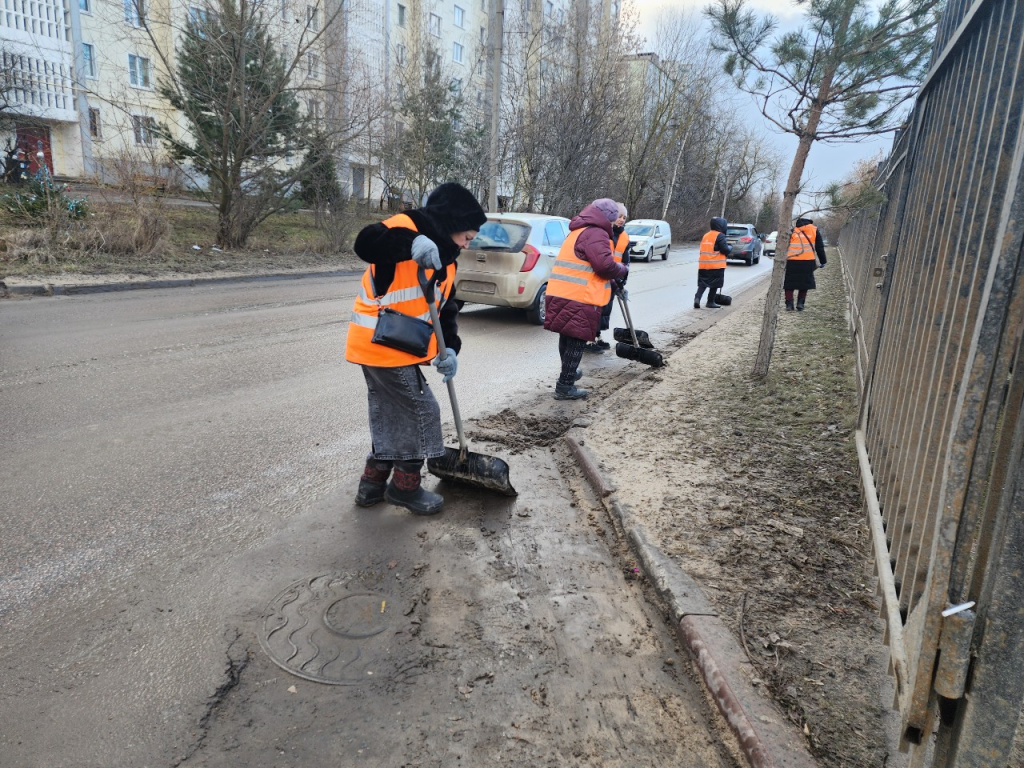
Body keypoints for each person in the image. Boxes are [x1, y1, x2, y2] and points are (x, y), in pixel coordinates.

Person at [346, 182, 486, 516]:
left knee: (391, 415)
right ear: (450, 224)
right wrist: (413, 244)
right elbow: (366, 242)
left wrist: (450, 349)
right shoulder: (406, 229)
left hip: (400, 347)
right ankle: (404, 489)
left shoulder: (447, 262)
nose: (470, 242)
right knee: (421, 413)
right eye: (467, 235)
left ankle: (371, 485)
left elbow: (445, 309)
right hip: (380, 342)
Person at [544, 198, 629, 400]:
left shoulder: (578, 230)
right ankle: (565, 386)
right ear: (607, 218)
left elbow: (589, 267)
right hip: (579, 296)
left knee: (567, 336)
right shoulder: (596, 233)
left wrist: (614, 285)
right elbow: (605, 266)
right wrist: (622, 270)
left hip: (561, 291)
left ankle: (569, 373)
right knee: (577, 340)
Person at [588, 202, 630, 352]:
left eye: (624, 217)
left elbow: (626, 260)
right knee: (595, 310)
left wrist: (622, 278)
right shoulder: (604, 233)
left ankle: (597, 337)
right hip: (600, 278)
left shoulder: (624, 237)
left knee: (605, 310)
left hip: (613, 280)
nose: (621, 219)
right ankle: (589, 340)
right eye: (619, 216)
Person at [784, 217, 827, 311]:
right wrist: (823, 261)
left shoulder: (793, 231)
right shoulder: (814, 230)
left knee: (789, 283)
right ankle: (800, 303)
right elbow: (819, 247)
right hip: (808, 260)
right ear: (810, 223)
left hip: (792, 260)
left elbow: (783, 244)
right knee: (805, 282)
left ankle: (789, 304)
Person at [695, 217, 731, 309]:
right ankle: (710, 302)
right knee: (715, 284)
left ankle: (697, 299)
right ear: (722, 225)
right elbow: (724, 249)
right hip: (716, 265)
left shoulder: (706, 235)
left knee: (703, 284)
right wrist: (730, 248)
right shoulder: (720, 236)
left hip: (703, 265)